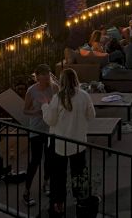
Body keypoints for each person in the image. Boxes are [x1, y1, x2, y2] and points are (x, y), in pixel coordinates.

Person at [42, 69, 95, 216]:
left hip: (60, 143)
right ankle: (81, 200)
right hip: (78, 142)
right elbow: (91, 115)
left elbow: (50, 120)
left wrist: (44, 107)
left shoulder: (57, 98)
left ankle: (59, 204)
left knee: (58, 175)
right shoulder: (84, 96)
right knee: (79, 173)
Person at [23, 64, 58, 206]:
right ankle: (26, 190)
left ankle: (46, 183)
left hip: (50, 128)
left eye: (48, 77)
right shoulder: (31, 91)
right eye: (43, 78)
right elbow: (25, 110)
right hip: (36, 129)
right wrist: (37, 113)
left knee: (49, 158)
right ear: (37, 77)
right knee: (35, 160)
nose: (46, 81)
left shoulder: (54, 87)